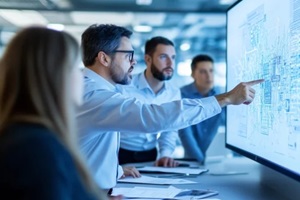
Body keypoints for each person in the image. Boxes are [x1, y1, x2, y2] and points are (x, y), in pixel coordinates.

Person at [77, 24, 263, 190]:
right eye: (128, 55)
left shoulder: (88, 89)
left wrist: (113, 171)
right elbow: (152, 117)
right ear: (104, 58)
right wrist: (227, 98)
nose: (133, 62)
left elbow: (89, 149)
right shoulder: (95, 95)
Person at [0, 26, 107, 200]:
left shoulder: (24, 136)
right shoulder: (37, 149)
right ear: (55, 76)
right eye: (75, 68)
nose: (81, 76)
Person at [117, 36, 180, 167]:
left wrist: (165, 154)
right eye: (163, 57)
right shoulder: (124, 87)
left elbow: (170, 129)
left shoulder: (174, 93)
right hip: (120, 155)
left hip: (151, 156)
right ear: (148, 59)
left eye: (173, 57)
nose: (170, 63)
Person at [179, 54, 225, 164]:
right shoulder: (182, 95)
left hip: (216, 159)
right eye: (203, 72)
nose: (209, 76)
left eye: (211, 71)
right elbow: (185, 133)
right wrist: (200, 160)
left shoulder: (222, 95)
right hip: (192, 159)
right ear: (193, 74)